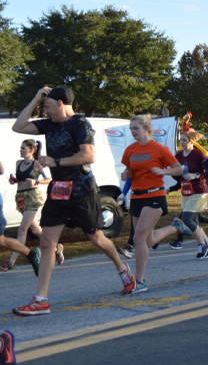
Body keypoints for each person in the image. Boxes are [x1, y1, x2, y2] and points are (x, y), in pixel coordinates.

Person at [11, 86, 135, 316]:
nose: (45, 110)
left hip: (81, 190)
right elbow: (17, 126)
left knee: (96, 238)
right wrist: (36, 97)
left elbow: (89, 156)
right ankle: (41, 300)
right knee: (47, 243)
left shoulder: (80, 124)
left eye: (47, 105)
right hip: (58, 192)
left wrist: (55, 161)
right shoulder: (48, 124)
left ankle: (122, 268)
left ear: (60, 103)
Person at [120, 115, 185, 293]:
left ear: (146, 128)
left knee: (138, 238)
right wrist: (125, 176)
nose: (133, 132)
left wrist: (163, 170)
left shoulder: (159, 149)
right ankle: (175, 228)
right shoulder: (130, 150)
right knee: (147, 241)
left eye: (136, 128)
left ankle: (139, 281)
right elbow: (128, 171)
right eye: (131, 129)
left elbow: (179, 169)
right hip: (136, 197)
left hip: (154, 195)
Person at [2, 140, 56, 272]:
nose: (20, 150)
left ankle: (12, 262)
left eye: (23, 148)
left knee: (22, 229)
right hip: (21, 198)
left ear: (31, 150)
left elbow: (50, 179)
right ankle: (56, 248)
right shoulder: (18, 163)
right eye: (20, 148)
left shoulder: (37, 164)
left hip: (32, 198)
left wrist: (37, 180)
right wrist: (13, 181)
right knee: (36, 230)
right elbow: (19, 179)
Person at [171, 129, 208, 258]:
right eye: (180, 140)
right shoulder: (178, 156)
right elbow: (178, 174)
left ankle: (203, 245)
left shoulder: (200, 155)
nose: (182, 143)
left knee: (186, 219)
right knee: (195, 222)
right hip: (186, 192)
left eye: (184, 140)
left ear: (192, 142)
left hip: (199, 191)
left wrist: (196, 175)